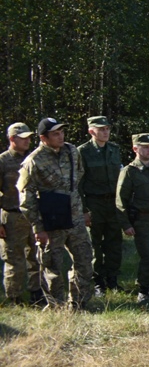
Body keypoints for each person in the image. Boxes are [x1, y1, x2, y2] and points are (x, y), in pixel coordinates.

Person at [17, 118, 94, 309]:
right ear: (44, 138)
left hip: (74, 217)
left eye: (61, 132)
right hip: (51, 221)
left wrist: (82, 211)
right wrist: (38, 227)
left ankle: (79, 302)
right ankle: (56, 306)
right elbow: (26, 199)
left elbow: (78, 178)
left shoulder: (72, 151)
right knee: (52, 265)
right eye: (55, 134)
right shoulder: (33, 161)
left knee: (84, 259)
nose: (60, 137)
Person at [116, 133, 149, 303]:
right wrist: (125, 224)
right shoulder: (129, 172)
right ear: (135, 149)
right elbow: (120, 200)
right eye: (145, 147)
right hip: (142, 221)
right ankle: (143, 289)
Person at [79, 115, 124, 293]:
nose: (105, 132)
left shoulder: (114, 149)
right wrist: (83, 210)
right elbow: (79, 184)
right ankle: (98, 281)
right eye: (101, 129)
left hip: (113, 203)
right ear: (91, 131)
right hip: (94, 203)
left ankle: (112, 279)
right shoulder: (82, 152)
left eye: (107, 129)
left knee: (114, 242)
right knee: (94, 244)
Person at [1, 123, 42, 306]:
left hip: (33, 215)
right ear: (12, 139)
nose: (27, 141)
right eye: (23, 138)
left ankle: (36, 292)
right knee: (14, 260)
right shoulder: (3, 161)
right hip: (11, 216)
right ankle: (14, 297)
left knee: (36, 257)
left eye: (29, 138)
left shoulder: (33, 158)